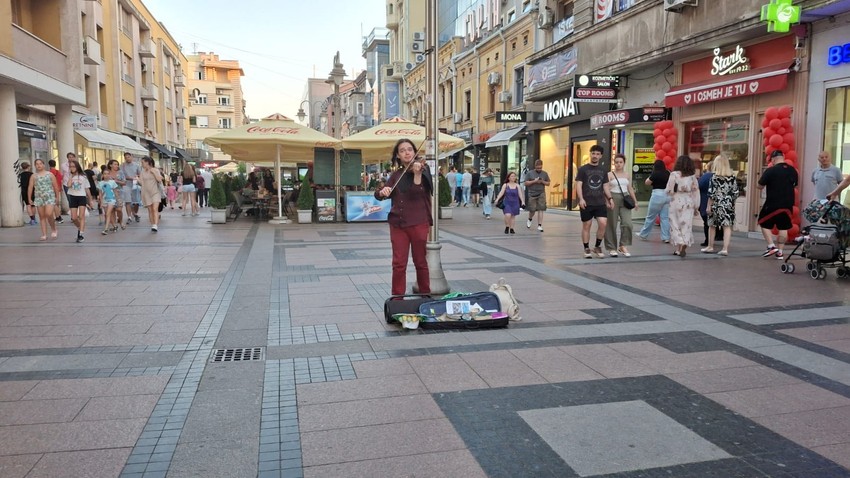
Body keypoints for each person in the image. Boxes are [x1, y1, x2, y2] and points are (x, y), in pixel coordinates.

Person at [375, 139, 433, 295]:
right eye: (402, 150)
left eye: (409, 149)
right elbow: (380, 195)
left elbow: (416, 192)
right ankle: (397, 298)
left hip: (418, 223)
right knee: (398, 264)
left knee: (420, 262)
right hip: (398, 224)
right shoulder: (396, 175)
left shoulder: (423, 170)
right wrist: (382, 191)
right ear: (398, 155)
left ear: (414, 152)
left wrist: (417, 174)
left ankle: (424, 295)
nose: (407, 152)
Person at [758, 149, 798, 259]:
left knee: (762, 222)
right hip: (788, 204)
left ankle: (771, 246)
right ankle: (780, 252)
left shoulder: (771, 170)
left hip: (773, 203)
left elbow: (760, 185)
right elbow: (795, 185)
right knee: (783, 227)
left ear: (774, 159)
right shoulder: (793, 170)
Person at [576, 145, 614, 258]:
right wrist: (581, 199)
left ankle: (597, 246)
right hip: (587, 202)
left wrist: (610, 199)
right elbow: (578, 184)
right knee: (587, 225)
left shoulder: (603, 170)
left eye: (597, 154)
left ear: (601, 156)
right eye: (593, 153)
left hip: (600, 202)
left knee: (603, 224)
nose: (595, 156)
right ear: (590, 154)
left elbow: (606, 186)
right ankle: (586, 248)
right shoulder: (583, 169)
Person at [701, 154, 739, 256]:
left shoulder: (714, 177)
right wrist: (732, 205)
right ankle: (725, 249)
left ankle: (710, 246)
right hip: (728, 204)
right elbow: (735, 193)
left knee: (712, 225)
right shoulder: (732, 178)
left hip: (716, 204)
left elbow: (711, 193)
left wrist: (708, 206)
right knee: (727, 227)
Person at [605, 153, 638, 257]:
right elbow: (606, 188)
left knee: (628, 223)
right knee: (612, 224)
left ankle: (623, 245)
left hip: (625, 198)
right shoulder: (609, 174)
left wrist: (635, 201)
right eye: (616, 162)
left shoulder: (627, 175)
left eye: (621, 162)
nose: (618, 164)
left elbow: (630, 188)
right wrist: (608, 199)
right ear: (614, 163)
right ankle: (611, 247)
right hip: (613, 198)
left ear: (624, 163)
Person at [666, 155, 700, 258]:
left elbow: (669, 190)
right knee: (686, 225)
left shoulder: (674, 175)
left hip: (676, 201)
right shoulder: (692, 177)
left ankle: (679, 243)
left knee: (675, 224)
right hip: (688, 202)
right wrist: (696, 206)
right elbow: (696, 192)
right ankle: (683, 243)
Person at [637, 160, 671, 243]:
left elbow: (647, 182)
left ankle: (643, 234)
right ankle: (666, 237)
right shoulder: (668, 173)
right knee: (665, 217)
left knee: (650, 216)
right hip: (668, 195)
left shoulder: (655, 173)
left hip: (657, 195)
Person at [27, 159, 60, 241]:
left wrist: (57, 197)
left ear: (44, 165)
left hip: (49, 196)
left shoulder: (50, 174)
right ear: (35, 166)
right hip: (39, 197)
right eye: (37, 164)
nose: (39, 165)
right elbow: (30, 187)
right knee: (42, 216)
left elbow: (56, 186)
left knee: (49, 214)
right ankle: (44, 234)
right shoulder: (33, 176)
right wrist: (29, 198)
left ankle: (53, 229)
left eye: (40, 163)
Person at [65, 159, 93, 243]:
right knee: (74, 218)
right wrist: (71, 175)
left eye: (73, 166)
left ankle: (80, 234)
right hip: (72, 196)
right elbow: (68, 185)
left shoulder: (83, 176)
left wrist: (90, 199)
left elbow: (87, 188)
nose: (72, 168)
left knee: (81, 216)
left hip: (81, 196)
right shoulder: (70, 176)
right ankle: (80, 228)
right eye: (70, 167)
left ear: (77, 167)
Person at [524, 159, 551, 232]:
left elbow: (548, 183)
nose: (539, 169)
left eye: (540, 168)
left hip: (541, 193)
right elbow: (525, 183)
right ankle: (530, 219)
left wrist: (542, 181)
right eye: (538, 168)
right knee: (532, 209)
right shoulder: (530, 173)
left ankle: (540, 225)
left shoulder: (544, 173)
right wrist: (534, 181)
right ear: (535, 166)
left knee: (541, 209)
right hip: (532, 193)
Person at [139, 156, 163, 232]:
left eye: (142, 162)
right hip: (146, 193)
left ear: (147, 162)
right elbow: (142, 183)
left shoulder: (155, 170)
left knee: (155, 209)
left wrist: (155, 173)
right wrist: (137, 180)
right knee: (150, 210)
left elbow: (159, 180)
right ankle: (153, 224)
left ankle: (155, 225)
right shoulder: (142, 172)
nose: (142, 164)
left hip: (155, 192)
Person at [120, 152, 141, 223]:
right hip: (126, 185)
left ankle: (135, 214)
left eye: (128, 157)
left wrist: (137, 178)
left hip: (135, 185)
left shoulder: (136, 165)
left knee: (136, 202)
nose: (127, 159)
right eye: (125, 157)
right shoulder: (122, 166)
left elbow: (140, 174)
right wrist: (131, 178)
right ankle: (129, 216)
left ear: (131, 157)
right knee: (128, 201)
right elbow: (122, 176)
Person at [98, 167, 119, 235]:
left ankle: (106, 229)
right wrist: (101, 202)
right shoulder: (100, 183)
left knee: (107, 214)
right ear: (102, 175)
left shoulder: (112, 182)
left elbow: (116, 192)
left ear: (110, 175)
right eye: (105, 174)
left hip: (112, 200)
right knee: (107, 214)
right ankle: (115, 226)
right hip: (104, 200)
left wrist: (118, 200)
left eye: (108, 174)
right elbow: (100, 193)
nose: (106, 175)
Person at [48, 159, 64, 223]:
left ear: (49, 165)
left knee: (54, 204)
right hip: (58, 188)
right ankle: (58, 216)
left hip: (52, 189)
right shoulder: (58, 172)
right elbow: (61, 180)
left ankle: (58, 217)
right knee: (56, 203)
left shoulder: (50, 172)